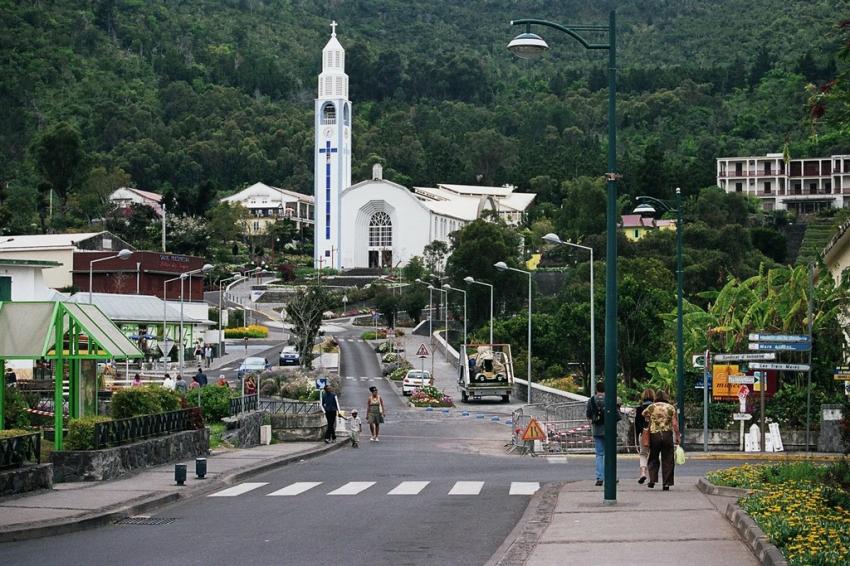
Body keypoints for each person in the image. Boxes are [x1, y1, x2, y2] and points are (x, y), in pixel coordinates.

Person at [642, 389, 681, 491]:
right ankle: (666, 483)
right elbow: (675, 424)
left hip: (654, 435)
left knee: (653, 457)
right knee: (668, 459)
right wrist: (677, 436)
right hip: (667, 434)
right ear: (666, 397)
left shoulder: (651, 407)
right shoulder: (671, 408)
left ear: (656, 397)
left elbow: (644, 414)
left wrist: (651, 419)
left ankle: (653, 479)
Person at [586, 382, 606, 486]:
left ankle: (599, 477)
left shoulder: (591, 400)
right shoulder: (610, 398)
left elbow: (588, 415)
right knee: (609, 454)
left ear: (596, 389)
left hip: (597, 429)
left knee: (599, 454)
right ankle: (611, 476)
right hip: (609, 429)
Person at [634, 388, 655, 484]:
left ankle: (643, 473)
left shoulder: (639, 408)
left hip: (644, 433)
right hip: (654, 433)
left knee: (643, 454)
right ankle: (652, 476)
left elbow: (637, 424)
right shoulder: (655, 407)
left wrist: (640, 433)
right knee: (653, 455)